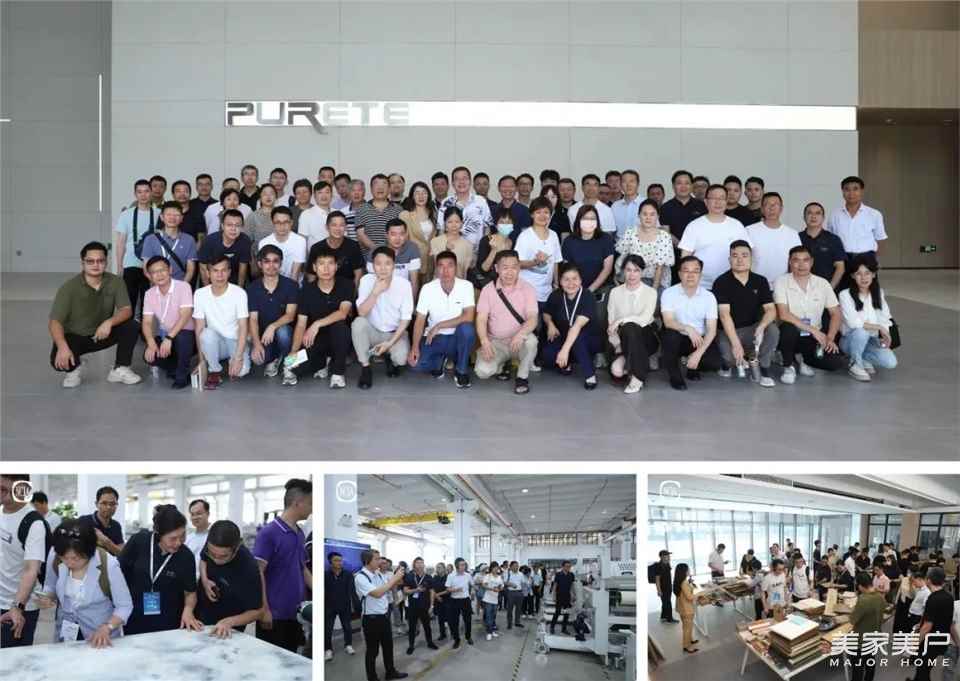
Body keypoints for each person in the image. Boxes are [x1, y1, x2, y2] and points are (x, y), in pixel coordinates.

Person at [49, 241, 141, 388]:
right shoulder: (69, 288)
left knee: (132, 326)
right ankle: (75, 367)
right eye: (90, 261)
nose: (95, 265)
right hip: (76, 337)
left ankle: (120, 368)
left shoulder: (116, 282)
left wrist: (109, 322)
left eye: (100, 261)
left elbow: (126, 310)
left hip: (102, 334)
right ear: (82, 263)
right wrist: (62, 347)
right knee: (58, 362)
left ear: (106, 262)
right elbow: (55, 322)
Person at [34, 518, 132, 646]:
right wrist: (47, 596)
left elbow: (124, 606)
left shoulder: (108, 564)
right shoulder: (55, 555)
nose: (69, 563)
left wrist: (108, 626)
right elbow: (50, 585)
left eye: (75, 558)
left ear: (89, 552)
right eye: (64, 558)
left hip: (99, 636)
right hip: (66, 632)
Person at [118, 504, 201, 636]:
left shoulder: (186, 556)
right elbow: (119, 574)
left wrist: (188, 610)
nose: (178, 543)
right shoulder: (138, 542)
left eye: (182, 536)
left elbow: (190, 592)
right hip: (135, 617)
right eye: (173, 538)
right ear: (158, 534)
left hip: (169, 621)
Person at [254, 478, 312, 653]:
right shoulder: (269, 533)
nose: (312, 509)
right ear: (297, 503)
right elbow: (258, 572)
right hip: (273, 615)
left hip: (295, 613)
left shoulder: (300, 533)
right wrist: (264, 609)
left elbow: (302, 568)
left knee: (292, 658)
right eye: (310, 504)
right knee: (271, 662)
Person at [773, 246, 846, 383]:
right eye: (796, 260)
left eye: (805, 260)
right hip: (790, 334)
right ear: (790, 262)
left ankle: (802, 359)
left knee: (835, 363)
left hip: (812, 337)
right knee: (788, 328)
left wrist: (829, 338)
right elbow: (783, 314)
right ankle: (788, 366)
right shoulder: (781, 281)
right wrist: (813, 330)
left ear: (811, 262)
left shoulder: (822, 283)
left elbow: (836, 313)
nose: (801, 265)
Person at [711, 241, 779, 387]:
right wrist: (736, 344)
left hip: (752, 328)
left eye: (744, 255)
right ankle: (728, 365)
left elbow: (770, 309)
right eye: (735, 256)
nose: (740, 260)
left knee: (772, 330)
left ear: (751, 258)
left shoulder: (760, 281)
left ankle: (763, 368)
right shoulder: (721, 282)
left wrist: (762, 326)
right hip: (728, 331)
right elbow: (724, 315)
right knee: (730, 359)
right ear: (729, 259)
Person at [284, 248, 353, 389]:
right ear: (315, 267)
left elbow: (343, 313)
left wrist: (316, 324)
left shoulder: (346, 284)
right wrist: (294, 350)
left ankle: (337, 373)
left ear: (336, 266)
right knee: (290, 364)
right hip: (315, 339)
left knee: (340, 327)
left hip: (340, 338)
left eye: (330, 263)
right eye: (321, 264)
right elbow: (301, 324)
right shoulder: (306, 291)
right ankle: (324, 362)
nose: (326, 268)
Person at [407, 251, 476, 388]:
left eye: (450, 266)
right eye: (441, 266)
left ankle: (461, 370)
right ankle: (440, 360)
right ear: (436, 268)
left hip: (457, 338)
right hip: (435, 338)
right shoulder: (427, 288)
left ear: (456, 267)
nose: (445, 270)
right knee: (416, 365)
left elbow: (469, 316)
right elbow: (420, 320)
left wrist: (439, 325)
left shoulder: (466, 286)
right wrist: (414, 347)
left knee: (467, 329)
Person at [475, 250, 540, 395]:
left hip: (518, 342)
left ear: (519, 268)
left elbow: (532, 318)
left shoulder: (528, 289)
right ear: (497, 269)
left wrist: (521, 334)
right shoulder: (488, 290)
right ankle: (503, 364)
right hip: (497, 343)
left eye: (514, 267)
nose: (510, 272)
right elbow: (481, 319)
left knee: (531, 341)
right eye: (505, 267)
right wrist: (484, 341)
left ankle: (522, 377)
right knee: (483, 371)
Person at [352, 247, 414, 389]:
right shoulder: (366, 280)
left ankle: (389, 355)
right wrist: (375, 292)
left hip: (394, 333)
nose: (383, 268)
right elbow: (361, 312)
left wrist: (390, 343)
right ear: (372, 266)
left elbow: (406, 319)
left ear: (394, 265)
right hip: (373, 331)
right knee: (358, 323)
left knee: (401, 359)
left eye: (388, 263)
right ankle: (366, 367)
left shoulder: (404, 285)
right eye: (378, 263)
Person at [660, 256, 722, 390]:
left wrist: (698, 353)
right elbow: (668, 322)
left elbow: (711, 330)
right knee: (670, 336)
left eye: (695, 271)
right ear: (679, 274)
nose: (691, 275)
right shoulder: (669, 293)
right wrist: (688, 328)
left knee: (714, 362)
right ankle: (675, 375)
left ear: (700, 274)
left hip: (698, 339)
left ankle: (692, 366)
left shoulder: (709, 297)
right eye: (686, 270)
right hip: (677, 336)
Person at [0, 474, 47, 647]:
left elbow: (31, 570)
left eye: (3, 489)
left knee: (11, 658)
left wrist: (17, 606)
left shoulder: (33, 523)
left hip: (17, 606)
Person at [195, 520, 263, 638]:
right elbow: (203, 559)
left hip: (230, 622)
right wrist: (205, 581)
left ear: (236, 548)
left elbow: (258, 612)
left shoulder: (248, 567)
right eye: (212, 554)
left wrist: (229, 622)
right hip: (203, 608)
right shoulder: (214, 542)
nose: (216, 560)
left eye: (223, 556)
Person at [193, 254, 251, 389]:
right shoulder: (200, 294)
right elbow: (199, 328)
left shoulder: (239, 293)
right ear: (208, 273)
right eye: (215, 271)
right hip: (214, 342)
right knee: (206, 334)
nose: (220, 275)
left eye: (224, 270)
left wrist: (238, 358)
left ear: (229, 272)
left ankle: (236, 356)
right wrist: (202, 362)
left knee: (241, 371)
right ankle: (215, 370)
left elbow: (243, 327)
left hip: (235, 340)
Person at [542, 264, 603, 389]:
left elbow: (576, 326)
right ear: (560, 281)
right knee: (547, 355)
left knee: (577, 339)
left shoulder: (587, 296)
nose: (571, 283)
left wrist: (564, 350)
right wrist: (550, 324)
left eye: (575, 279)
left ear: (581, 280)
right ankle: (567, 362)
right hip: (564, 336)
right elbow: (546, 313)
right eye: (566, 279)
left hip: (586, 338)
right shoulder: (556, 295)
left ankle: (590, 375)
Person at [678, 184, 751, 289]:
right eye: (713, 198)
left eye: (722, 198)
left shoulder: (737, 225)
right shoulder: (694, 226)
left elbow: (747, 255)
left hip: (732, 285)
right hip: (701, 286)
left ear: (726, 201)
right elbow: (685, 258)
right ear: (706, 202)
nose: (718, 202)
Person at [839, 255, 897, 381]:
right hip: (850, 340)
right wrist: (879, 327)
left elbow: (885, 317)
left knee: (890, 362)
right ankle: (855, 363)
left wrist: (885, 334)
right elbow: (853, 323)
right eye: (858, 274)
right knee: (861, 332)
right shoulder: (845, 295)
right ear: (853, 276)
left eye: (867, 273)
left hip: (872, 340)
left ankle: (862, 357)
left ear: (874, 275)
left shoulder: (878, 293)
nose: (863, 277)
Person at [608, 255, 659, 393]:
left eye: (636, 270)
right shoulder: (615, 292)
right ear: (623, 271)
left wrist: (621, 320)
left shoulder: (651, 292)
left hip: (646, 336)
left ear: (642, 272)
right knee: (617, 371)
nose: (632, 274)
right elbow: (611, 322)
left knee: (630, 327)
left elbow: (644, 319)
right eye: (628, 270)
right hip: (623, 339)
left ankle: (638, 377)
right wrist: (617, 344)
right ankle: (639, 363)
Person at [141, 256, 195, 390]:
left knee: (182, 337)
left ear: (170, 270)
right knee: (149, 356)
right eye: (154, 272)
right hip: (167, 337)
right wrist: (151, 343)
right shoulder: (149, 294)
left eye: (162, 270)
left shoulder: (183, 287)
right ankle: (175, 367)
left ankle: (182, 376)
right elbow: (146, 322)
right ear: (149, 276)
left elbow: (185, 315)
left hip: (187, 337)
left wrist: (169, 337)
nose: (159, 275)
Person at [246, 245, 298, 378]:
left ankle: (288, 364)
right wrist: (257, 344)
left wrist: (273, 326)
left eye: (275, 261)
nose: (271, 265)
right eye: (267, 261)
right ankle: (274, 358)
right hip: (265, 335)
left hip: (285, 332)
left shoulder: (291, 285)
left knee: (283, 332)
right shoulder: (252, 288)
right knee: (259, 359)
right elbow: (253, 319)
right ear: (260, 264)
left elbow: (290, 315)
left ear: (280, 263)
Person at [356, 549, 409, 681]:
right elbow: (377, 593)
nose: (380, 561)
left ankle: (390, 672)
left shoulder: (378, 574)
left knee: (388, 647)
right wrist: (394, 579)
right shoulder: (361, 577)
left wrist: (398, 576)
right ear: (367, 560)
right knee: (372, 651)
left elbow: (391, 585)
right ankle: (372, 677)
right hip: (371, 619)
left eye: (380, 558)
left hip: (384, 617)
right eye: (377, 559)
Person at [115, 179, 161, 315]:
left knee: (149, 302)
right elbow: (121, 242)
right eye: (139, 192)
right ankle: (129, 327)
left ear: (151, 193)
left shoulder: (159, 213)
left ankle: (146, 327)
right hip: (130, 263)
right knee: (130, 300)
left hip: (153, 264)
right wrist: (119, 266)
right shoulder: (126, 215)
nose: (143, 195)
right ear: (135, 194)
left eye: (146, 191)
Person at [615, 199, 674, 290]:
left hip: (656, 282)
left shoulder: (664, 236)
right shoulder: (630, 233)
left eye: (652, 214)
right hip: (632, 278)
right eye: (644, 214)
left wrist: (652, 292)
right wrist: (619, 280)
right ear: (639, 215)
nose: (648, 218)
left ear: (658, 216)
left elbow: (660, 269)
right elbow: (622, 259)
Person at [745, 192, 801, 286]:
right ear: (762, 209)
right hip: (755, 285)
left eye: (775, 204)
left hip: (784, 285)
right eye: (767, 205)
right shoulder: (749, 231)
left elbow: (797, 261)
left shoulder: (792, 234)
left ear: (781, 208)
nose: (771, 208)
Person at [827, 176, 887, 263]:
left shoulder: (874, 214)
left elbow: (880, 239)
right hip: (842, 260)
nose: (851, 193)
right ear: (842, 192)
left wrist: (874, 260)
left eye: (855, 189)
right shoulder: (834, 215)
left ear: (862, 191)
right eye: (847, 189)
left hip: (867, 259)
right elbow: (830, 240)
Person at [562, 205, 616, 296]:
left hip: (602, 291)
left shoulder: (606, 239)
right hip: (575, 291)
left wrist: (590, 290)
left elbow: (607, 269)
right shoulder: (569, 241)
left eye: (592, 219)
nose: (589, 222)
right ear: (579, 220)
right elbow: (567, 270)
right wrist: (577, 290)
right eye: (585, 218)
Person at [437, 166, 493, 253]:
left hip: (477, 253)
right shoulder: (446, 202)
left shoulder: (481, 201)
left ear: (470, 181)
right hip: (452, 253)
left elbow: (487, 229)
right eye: (457, 179)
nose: (461, 182)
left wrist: (485, 251)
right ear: (453, 183)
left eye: (464, 178)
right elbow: (441, 229)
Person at [911, 567, 953, 681]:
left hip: (930, 642)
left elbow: (927, 626)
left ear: (928, 580)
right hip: (942, 640)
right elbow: (950, 621)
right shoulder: (949, 597)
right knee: (924, 669)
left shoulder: (932, 599)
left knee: (922, 671)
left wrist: (915, 643)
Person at [140, 201, 198, 283]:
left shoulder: (189, 240)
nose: (172, 218)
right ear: (161, 217)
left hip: (179, 285)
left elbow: (190, 270)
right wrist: (159, 284)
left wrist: (181, 287)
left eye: (176, 215)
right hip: (157, 286)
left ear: (182, 218)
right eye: (168, 214)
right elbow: (146, 268)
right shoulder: (150, 239)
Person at [309, 210, 364, 289]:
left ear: (346, 227)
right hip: (322, 289)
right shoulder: (316, 248)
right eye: (334, 225)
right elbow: (311, 275)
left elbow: (358, 274)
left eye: (341, 225)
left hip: (347, 290)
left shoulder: (353, 246)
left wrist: (353, 293)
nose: (338, 229)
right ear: (327, 227)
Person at [847, 570, 886, 681]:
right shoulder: (880, 597)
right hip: (874, 636)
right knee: (870, 663)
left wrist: (853, 610)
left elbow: (852, 620)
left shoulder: (863, 599)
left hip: (861, 640)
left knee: (858, 667)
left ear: (860, 586)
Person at [198, 208, 251, 286]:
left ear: (242, 227)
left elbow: (242, 270)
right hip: (212, 280)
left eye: (237, 225)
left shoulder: (245, 241)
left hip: (233, 281)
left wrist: (239, 289)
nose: (233, 229)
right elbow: (203, 267)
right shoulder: (209, 241)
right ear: (222, 226)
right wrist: (207, 289)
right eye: (229, 225)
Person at [799, 201, 846, 290]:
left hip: (826, 289)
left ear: (823, 218)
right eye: (809, 213)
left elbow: (840, 267)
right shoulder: (796, 238)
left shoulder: (833, 239)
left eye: (818, 213)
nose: (813, 216)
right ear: (804, 217)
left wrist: (829, 289)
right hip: (800, 289)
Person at [356, 174, 404, 256]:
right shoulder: (361, 209)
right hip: (369, 257)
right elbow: (361, 235)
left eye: (384, 184)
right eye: (376, 184)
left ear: (389, 189)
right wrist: (377, 250)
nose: (380, 188)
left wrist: (389, 252)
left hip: (393, 257)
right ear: (371, 189)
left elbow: (402, 234)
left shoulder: (398, 209)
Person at [398, 181, 436, 281]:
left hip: (430, 259)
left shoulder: (433, 213)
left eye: (424, 193)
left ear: (428, 195)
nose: (421, 196)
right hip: (413, 258)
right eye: (417, 193)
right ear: (412, 196)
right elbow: (403, 240)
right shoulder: (405, 215)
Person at [376, 219, 422, 300]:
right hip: (382, 295)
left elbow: (414, 282)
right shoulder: (376, 251)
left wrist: (411, 304)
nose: (397, 238)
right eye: (393, 234)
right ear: (386, 235)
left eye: (401, 234)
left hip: (404, 295)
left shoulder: (413, 249)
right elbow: (372, 281)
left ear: (406, 235)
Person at [259, 207, 307, 281]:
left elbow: (295, 274)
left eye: (286, 222)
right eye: (278, 222)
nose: (282, 226)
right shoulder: (264, 243)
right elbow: (266, 272)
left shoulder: (300, 241)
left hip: (293, 283)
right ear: (272, 223)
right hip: (271, 282)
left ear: (291, 222)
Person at [324, 552, 356, 661]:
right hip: (329, 606)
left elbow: (351, 591)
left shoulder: (348, 574)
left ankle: (348, 645)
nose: (339, 562)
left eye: (340, 560)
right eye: (336, 560)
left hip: (344, 605)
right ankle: (328, 649)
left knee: (347, 627)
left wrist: (353, 605)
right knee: (328, 629)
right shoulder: (325, 575)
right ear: (330, 562)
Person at [404, 557, 438, 654]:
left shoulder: (428, 577)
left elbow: (432, 592)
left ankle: (430, 642)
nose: (420, 564)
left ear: (424, 564)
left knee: (427, 626)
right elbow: (405, 591)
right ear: (414, 564)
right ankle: (411, 645)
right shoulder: (409, 576)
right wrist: (416, 590)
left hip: (425, 606)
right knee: (412, 627)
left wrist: (431, 606)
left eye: (421, 562)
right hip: (412, 607)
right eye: (417, 563)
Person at [244, 184, 280, 272]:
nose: (268, 196)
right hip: (259, 261)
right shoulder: (253, 216)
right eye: (265, 194)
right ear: (259, 198)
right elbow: (247, 242)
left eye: (271, 193)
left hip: (280, 259)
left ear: (276, 197)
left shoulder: (281, 215)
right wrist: (252, 263)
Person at [445, 558, 474, 649]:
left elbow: (472, 584)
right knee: (454, 621)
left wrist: (473, 591)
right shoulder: (451, 576)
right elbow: (447, 589)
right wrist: (455, 589)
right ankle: (456, 640)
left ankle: (468, 636)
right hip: (455, 600)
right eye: (461, 565)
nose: (463, 566)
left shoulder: (468, 575)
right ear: (456, 566)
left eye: (464, 564)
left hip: (466, 600)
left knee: (468, 620)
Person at [298, 181, 333, 248]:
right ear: (314, 196)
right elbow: (302, 240)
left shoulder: (337, 212)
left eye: (327, 192)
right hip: (315, 253)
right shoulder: (306, 214)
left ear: (331, 195)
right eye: (320, 192)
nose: (324, 195)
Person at [674, 563, 698, 653]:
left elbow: (684, 592)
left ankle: (690, 640)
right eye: (688, 569)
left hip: (681, 607)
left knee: (686, 626)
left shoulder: (679, 581)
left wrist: (690, 583)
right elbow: (690, 597)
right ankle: (687, 646)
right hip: (687, 609)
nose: (689, 571)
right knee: (687, 628)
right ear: (684, 571)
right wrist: (699, 594)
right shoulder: (684, 583)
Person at [611, 169, 643, 238]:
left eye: (632, 181)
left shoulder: (647, 204)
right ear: (621, 185)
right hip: (619, 244)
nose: (628, 185)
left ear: (638, 184)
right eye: (624, 182)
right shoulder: (615, 206)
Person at [184, 499, 210, 573]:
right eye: (192, 514)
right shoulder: (188, 538)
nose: (195, 517)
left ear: (208, 514)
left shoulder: (215, 535)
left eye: (199, 513)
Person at [550, 560, 575, 635]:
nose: (568, 568)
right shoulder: (558, 574)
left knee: (566, 613)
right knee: (557, 612)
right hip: (559, 596)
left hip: (567, 596)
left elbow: (572, 586)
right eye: (567, 566)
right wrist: (554, 596)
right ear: (563, 567)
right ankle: (552, 627)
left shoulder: (571, 575)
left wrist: (572, 595)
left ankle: (564, 629)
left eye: (569, 566)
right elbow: (555, 585)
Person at [654, 551, 677, 624]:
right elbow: (657, 579)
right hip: (663, 588)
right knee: (668, 603)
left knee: (665, 603)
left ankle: (663, 617)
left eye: (669, 556)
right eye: (667, 556)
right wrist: (659, 590)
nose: (669, 557)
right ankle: (670, 619)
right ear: (661, 557)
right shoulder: (659, 566)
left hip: (669, 587)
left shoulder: (667, 564)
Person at [481, 564, 503, 640]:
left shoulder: (499, 577)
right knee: (488, 616)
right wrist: (492, 589)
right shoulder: (488, 576)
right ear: (491, 568)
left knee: (493, 616)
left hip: (495, 599)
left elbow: (501, 586)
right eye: (494, 568)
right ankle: (489, 632)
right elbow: (484, 585)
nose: (496, 569)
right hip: (488, 599)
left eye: (497, 568)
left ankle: (492, 631)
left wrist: (499, 588)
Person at [503, 561, 525, 630]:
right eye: (515, 566)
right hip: (511, 593)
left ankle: (517, 622)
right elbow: (504, 582)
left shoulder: (521, 574)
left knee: (518, 609)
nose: (516, 567)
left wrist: (523, 592)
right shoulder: (508, 573)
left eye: (517, 566)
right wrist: (511, 584)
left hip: (519, 592)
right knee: (510, 609)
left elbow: (523, 583)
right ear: (511, 566)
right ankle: (509, 623)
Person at [431, 563, 449, 641]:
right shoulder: (435, 578)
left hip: (447, 600)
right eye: (437, 567)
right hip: (438, 601)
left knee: (449, 617)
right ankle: (442, 634)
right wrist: (437, 596)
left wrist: (438, 594)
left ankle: (453, 632)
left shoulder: (448, 577)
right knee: (440, 618)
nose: (438, 569)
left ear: (444, 568)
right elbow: (432, 589)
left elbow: (448, 590)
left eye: (440, 567)